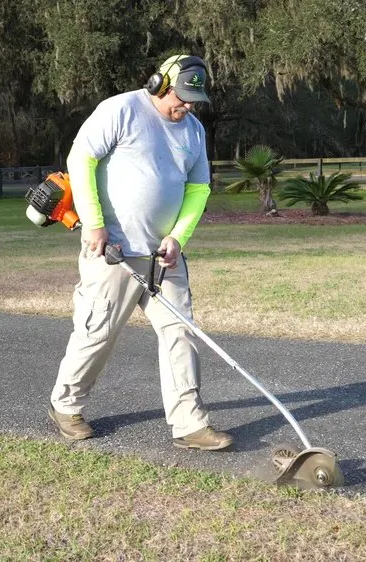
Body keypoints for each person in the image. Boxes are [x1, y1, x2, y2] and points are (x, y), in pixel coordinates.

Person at [47, 54, 233, 451]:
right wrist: (94, 222)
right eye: (181, 97)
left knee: (181, 333)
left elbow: (199, 188)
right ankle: (65, 406)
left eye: (193, 99)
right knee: (98, 333)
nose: (186, 105)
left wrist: (179, 237)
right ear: (158, 83)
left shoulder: (194, 132)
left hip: (163, 257)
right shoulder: (120, 110)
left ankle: (189, 425)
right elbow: (81, 159)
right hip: (112, 248)